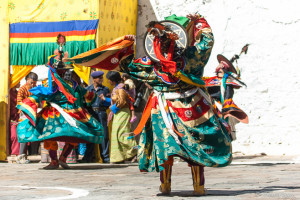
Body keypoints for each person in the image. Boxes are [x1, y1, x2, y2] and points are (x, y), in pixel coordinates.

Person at [69, 13, 232, 195]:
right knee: (194, 145)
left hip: (164, 110)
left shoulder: (151, 66)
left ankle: (165, 185)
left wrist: (127, 45)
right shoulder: (192, 58)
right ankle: (198, 186)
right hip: (193, 108)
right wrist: (199, 21)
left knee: (164, 148)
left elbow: (126, 64)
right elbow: (207, 41)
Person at [17, 37, 104, 169]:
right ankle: (62, 158)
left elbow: (39, 95)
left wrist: (27, 104)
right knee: (73, 135)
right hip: (72, 113)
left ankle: (55, 161)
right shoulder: (73, 84)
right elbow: (89, 96)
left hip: (53, 114)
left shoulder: (50, 83)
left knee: (49, 135)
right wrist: (92, 96)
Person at [203, 54, 249, 140]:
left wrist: (226, 106)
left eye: (221, 70)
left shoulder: (228, 82)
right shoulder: (210, 80)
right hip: (210, 104)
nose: (219, 72)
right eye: (218, 71)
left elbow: (228, 95)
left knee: (224, 125)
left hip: (221, 105)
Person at [99, 71, 137, 164]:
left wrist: (112, 108)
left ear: (112, 80)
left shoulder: (120, 88)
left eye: (109, 80)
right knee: (116, 134)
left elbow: (122, 101)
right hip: (118, 113)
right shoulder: (117, 87)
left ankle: (136, 152)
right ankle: (119, 158)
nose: (108, 81)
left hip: (123, 112)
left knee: (122, 133)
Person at [85, 70, 111, 163]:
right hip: (91, 114)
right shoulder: (88, 89)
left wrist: (104, 101)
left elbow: (110, 102)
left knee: (103, 135)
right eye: (99, 78)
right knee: (90, 134)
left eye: (101, 78)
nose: (101, 79)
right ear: (94, 79)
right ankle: (88, 157)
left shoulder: (105, 89)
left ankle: (105, 157)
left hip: (101, 113)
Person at [16, 72, 38, 164]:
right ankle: (20, 156)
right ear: (27, 80)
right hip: (24, 114)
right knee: (24, 134)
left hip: (33, 114)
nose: (33, 84)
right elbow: (19, 103)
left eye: (34, 83)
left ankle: (27, 155)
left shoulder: (35, 89)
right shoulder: (22, 89)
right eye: (31, 82)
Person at [10, 82, 20, 156]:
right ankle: (14, 153)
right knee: (14, 136)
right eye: (18, 81)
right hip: (10, 117)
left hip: (17, 117)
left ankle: (17, 153)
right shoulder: (8, 93)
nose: (19, 83)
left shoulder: (17, 92)